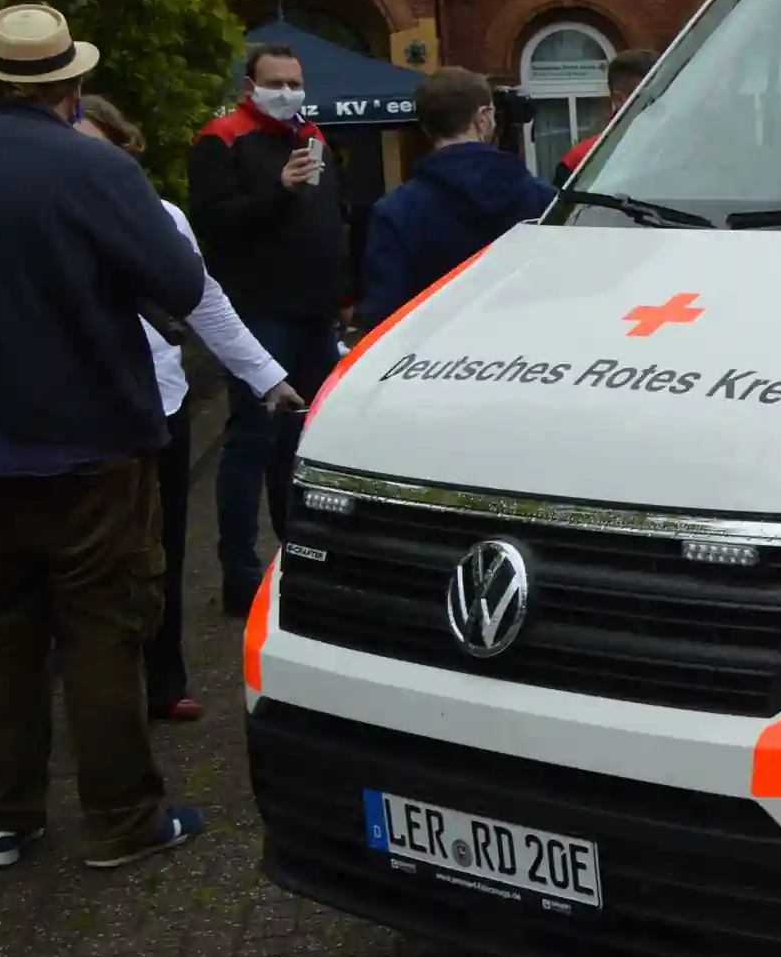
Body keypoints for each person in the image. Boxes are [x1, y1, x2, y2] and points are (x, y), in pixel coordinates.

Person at [0, 5, 213, 870]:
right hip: (93, 440)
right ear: (74, 84)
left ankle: (0, 818)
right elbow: (180, 280)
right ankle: (123, 818)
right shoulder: (97, 168)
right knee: (101, 627)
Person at [75, 96, 302, 723]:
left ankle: (163, 676)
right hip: (79, 411)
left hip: (160, 401)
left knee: (164, 546)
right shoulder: (44, 216)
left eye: (96, 147)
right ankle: (99, 689)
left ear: (123, 152)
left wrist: (265, 376)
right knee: (91, 560)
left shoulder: (160, 217)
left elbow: (206, 300)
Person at [187, 42, 347, 618]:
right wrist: (277, 191)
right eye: (275, 83)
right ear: (249, 87)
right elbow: (214, 224)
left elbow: (331, 217)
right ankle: (240, 571)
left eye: (295, 82)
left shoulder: (312, 135)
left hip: (314, 312)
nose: (287, 92)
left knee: (302, 442)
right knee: (253, 438)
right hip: (258, 313)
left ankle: (298, 556)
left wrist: (342, 293)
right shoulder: (222, 139)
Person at [358, 67, 556, 328]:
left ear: (426, 127)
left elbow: (384, 316)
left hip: (436, 348)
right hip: (528, 342)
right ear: (483, 117)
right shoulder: (543, 199)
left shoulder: (396, 210)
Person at [555, 47, 658, 183]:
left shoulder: (679, 147)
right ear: (620, 99)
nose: (662, 103)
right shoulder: (582, 160)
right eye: (651, 98)